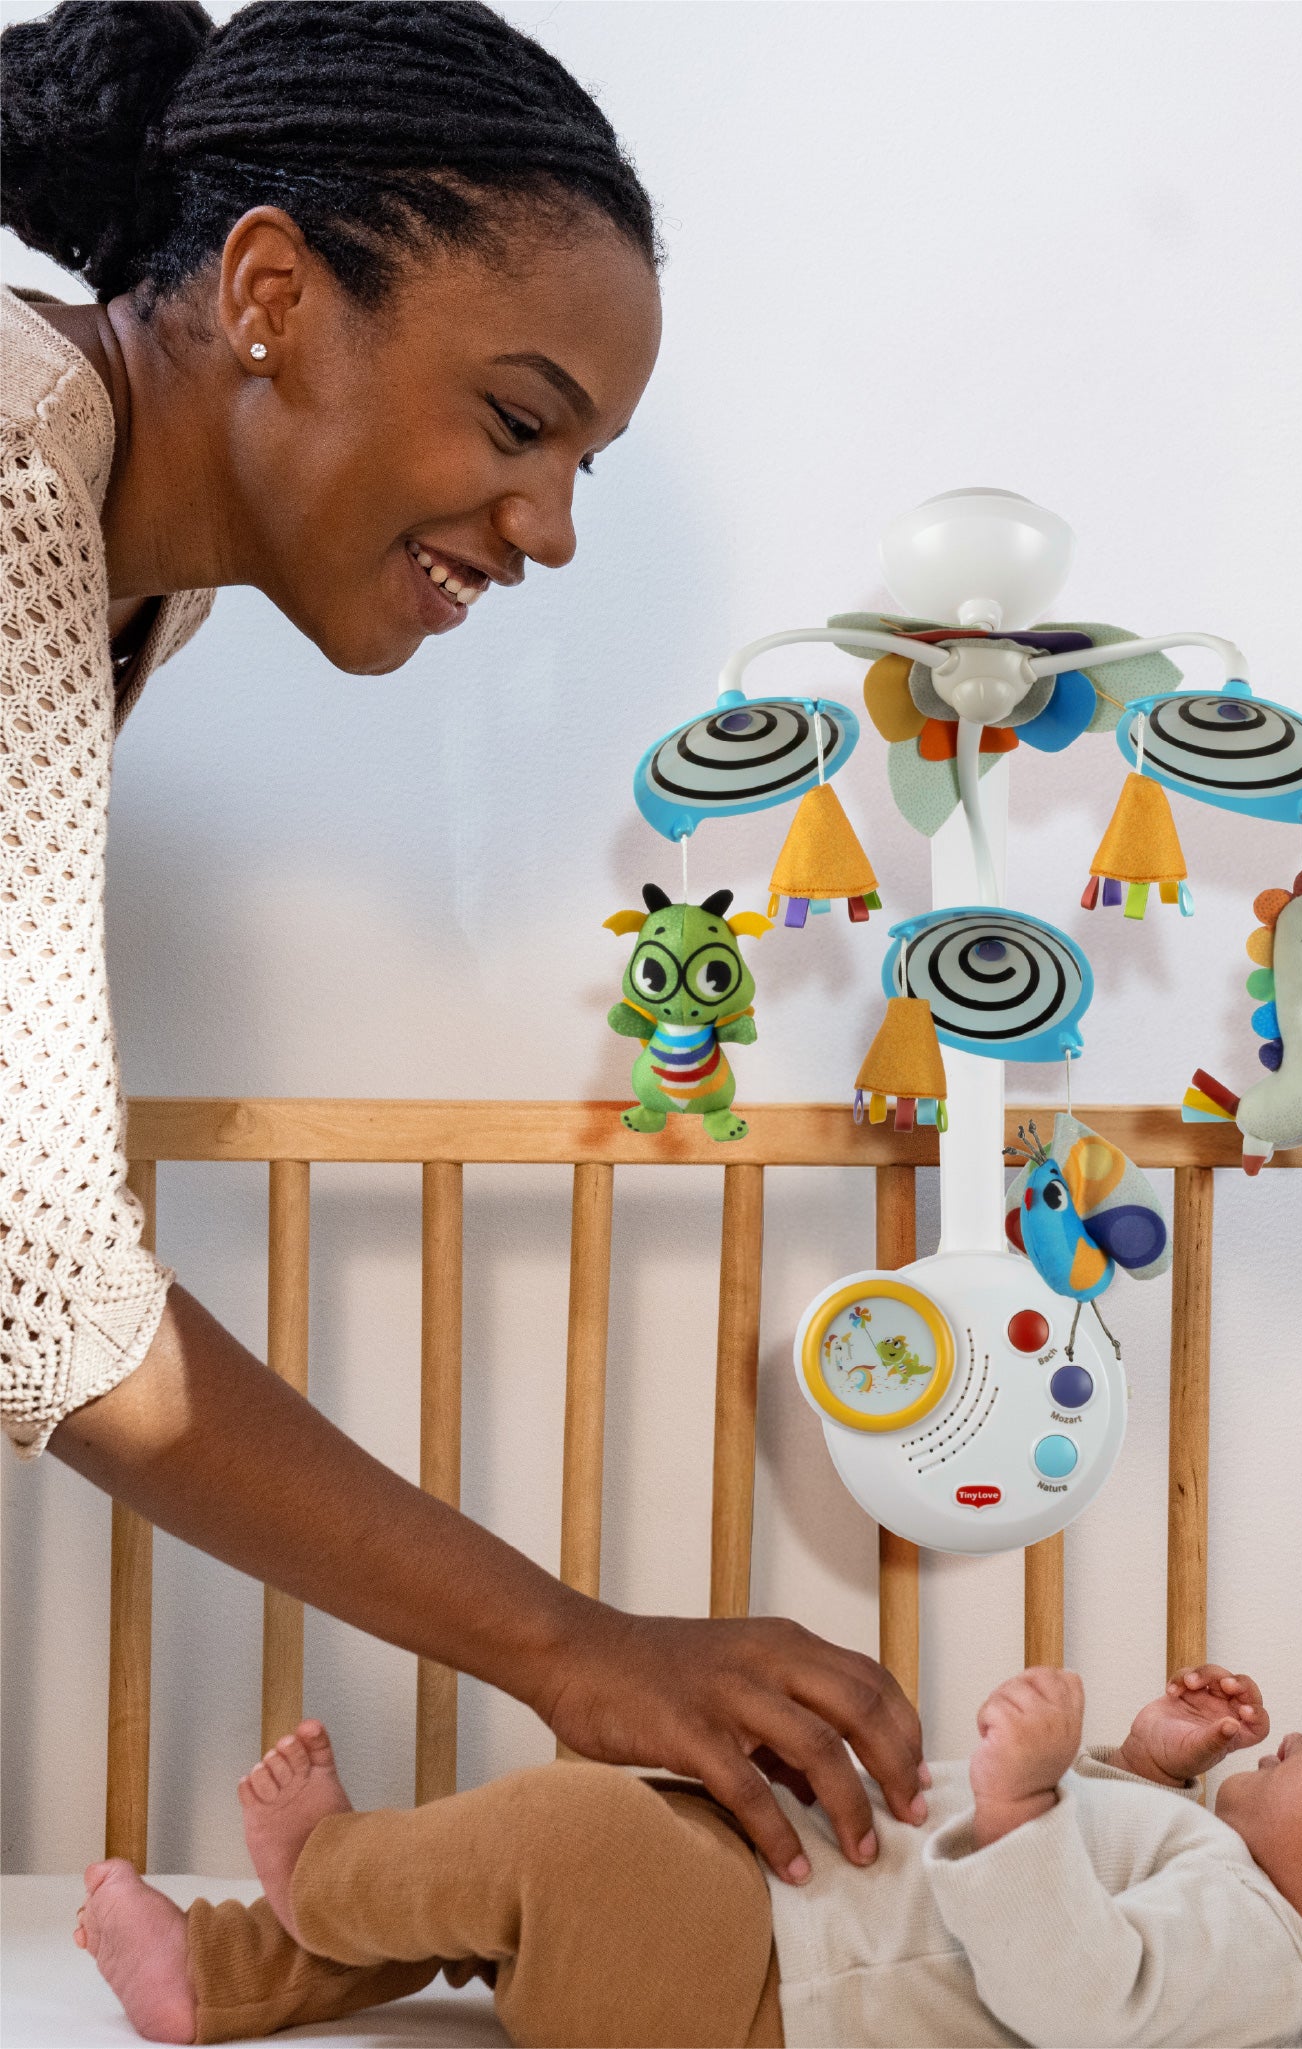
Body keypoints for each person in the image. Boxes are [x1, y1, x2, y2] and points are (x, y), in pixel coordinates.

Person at [1, 0, 924, 1885]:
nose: (553, 528)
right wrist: (569, 1645)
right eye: (519, 421)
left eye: (582, 460)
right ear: (270, 290)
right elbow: (46, 1283)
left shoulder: (117, 545)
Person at [77, 1661, 1302, 2048]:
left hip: (762, 1995)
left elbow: (1081, 1991)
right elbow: (1121, 1887)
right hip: (766, 1931)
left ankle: (323, 1870)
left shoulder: (1261, 1963)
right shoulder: (1228, 1904)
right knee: (518, 1883)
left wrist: (1025, 1800)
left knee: (562, 1832)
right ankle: (215, 1977)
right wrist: (1151, 1762)